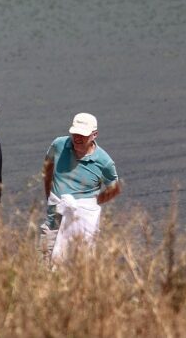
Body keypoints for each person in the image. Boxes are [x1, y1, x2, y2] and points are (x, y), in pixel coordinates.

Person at [40, 112, 121, 264]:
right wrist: (49, 195)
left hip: (81, 228)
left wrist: (89, 206)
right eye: (75, 133)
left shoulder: (104, 162)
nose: (77, 138)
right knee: (44, 268)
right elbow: (48, 165)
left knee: (79, 268)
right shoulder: (59, 144)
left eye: (82, 135)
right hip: (53, 223)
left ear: (94, 135)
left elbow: (114, 188)